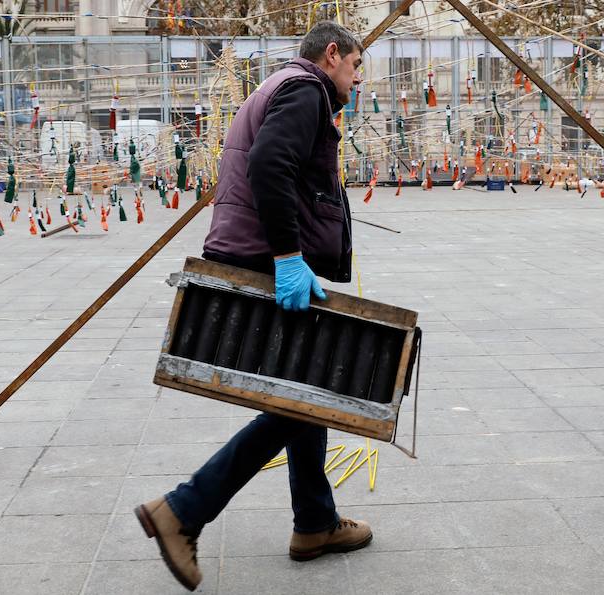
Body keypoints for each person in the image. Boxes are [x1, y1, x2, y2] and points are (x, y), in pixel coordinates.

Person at [135, 22, 368, 591]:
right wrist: (290, 256)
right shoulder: (306, 89)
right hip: (271, 258)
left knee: (303, 391)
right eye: (355, 67)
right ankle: (184, 509)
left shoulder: (281, 85)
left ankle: (314, 523)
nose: (357, 81)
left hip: (260, 252)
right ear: (331, 54)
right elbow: (269, 166)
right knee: (304, 397)